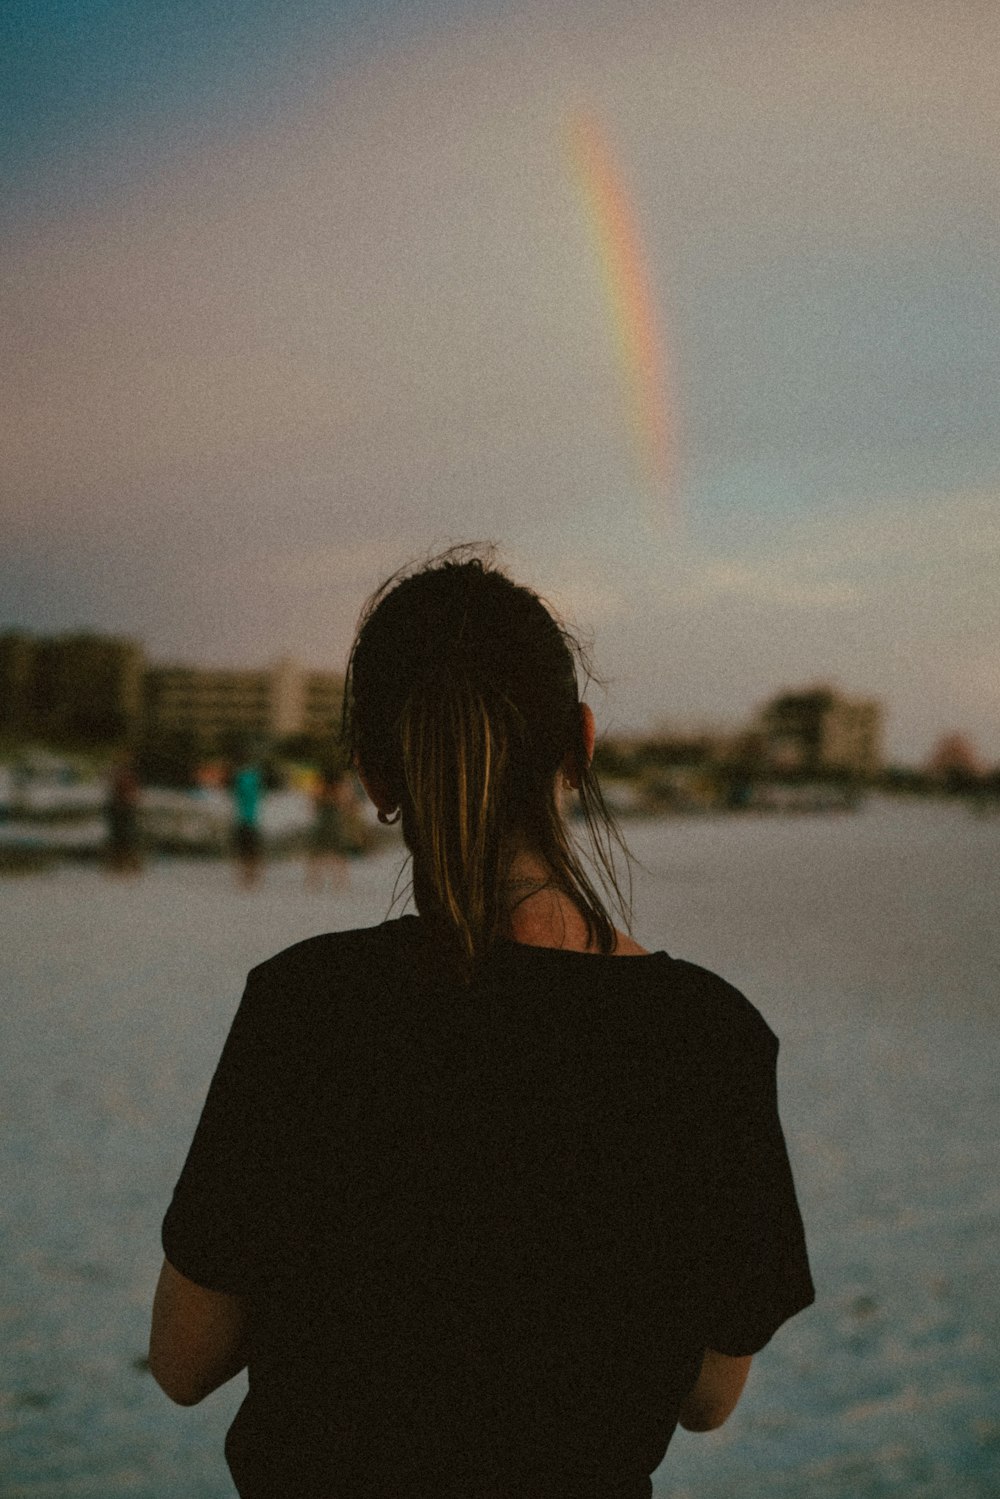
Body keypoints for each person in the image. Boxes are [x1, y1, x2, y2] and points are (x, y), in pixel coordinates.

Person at [150, 546, 814, 1499]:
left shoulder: (307, 1006)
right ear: (580, 744)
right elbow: (707, 1397)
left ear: (377, 776)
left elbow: (182, 1362)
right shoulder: (709, 1038)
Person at [305, 760, 353, 891]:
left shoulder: (320, 785)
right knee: (337, 852)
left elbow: (313, 801)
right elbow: (346, 803)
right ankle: (341, 882)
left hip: (323, 820)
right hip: (335, 820)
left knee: (317, 851)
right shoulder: (339, 786)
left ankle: (313, 881)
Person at [105, 752, 142, 875]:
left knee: (122, 835)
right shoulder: (123, 775)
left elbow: (131, 793)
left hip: (122, 808)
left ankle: (121, 856)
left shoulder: (122, 774)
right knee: (122, 835)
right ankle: (121, 855)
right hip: (122, 808)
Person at [230, 756, 264, 888]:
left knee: (243, 852)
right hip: (252, 820)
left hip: (242, 820)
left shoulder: (240, 778)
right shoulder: (255, 778)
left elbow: (236, 794)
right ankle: (251, 877)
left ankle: (246, 878)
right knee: (252, 852)